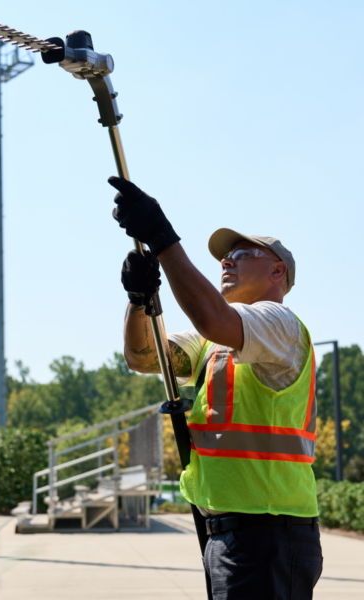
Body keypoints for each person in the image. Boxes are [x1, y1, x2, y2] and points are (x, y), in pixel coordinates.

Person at [109, 175, 323, 600]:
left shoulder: (280, 325)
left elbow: (213, 318)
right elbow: (143, 357)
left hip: (269, 530)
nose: (226, 262)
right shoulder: (213, 342)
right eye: (223, 258)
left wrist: (164, 240)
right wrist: (140, 300)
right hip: (231, 533)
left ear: (278, 271)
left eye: (240, 254)